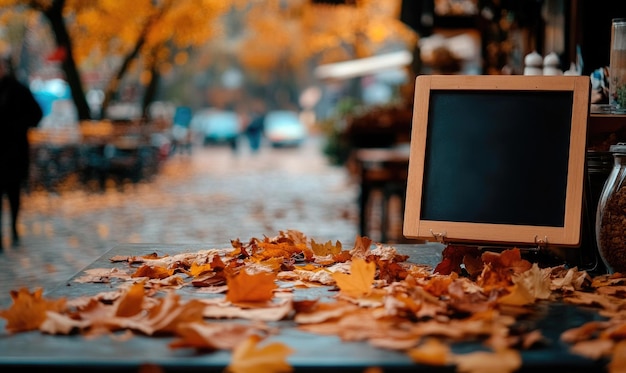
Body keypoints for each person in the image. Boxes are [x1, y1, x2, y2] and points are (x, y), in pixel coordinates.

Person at [0, 56, 43, 251]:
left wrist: (18, 126)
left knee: (14, 193)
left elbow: (37, 114)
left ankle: (14, 228)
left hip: (15, 151)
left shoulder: (19, 89)